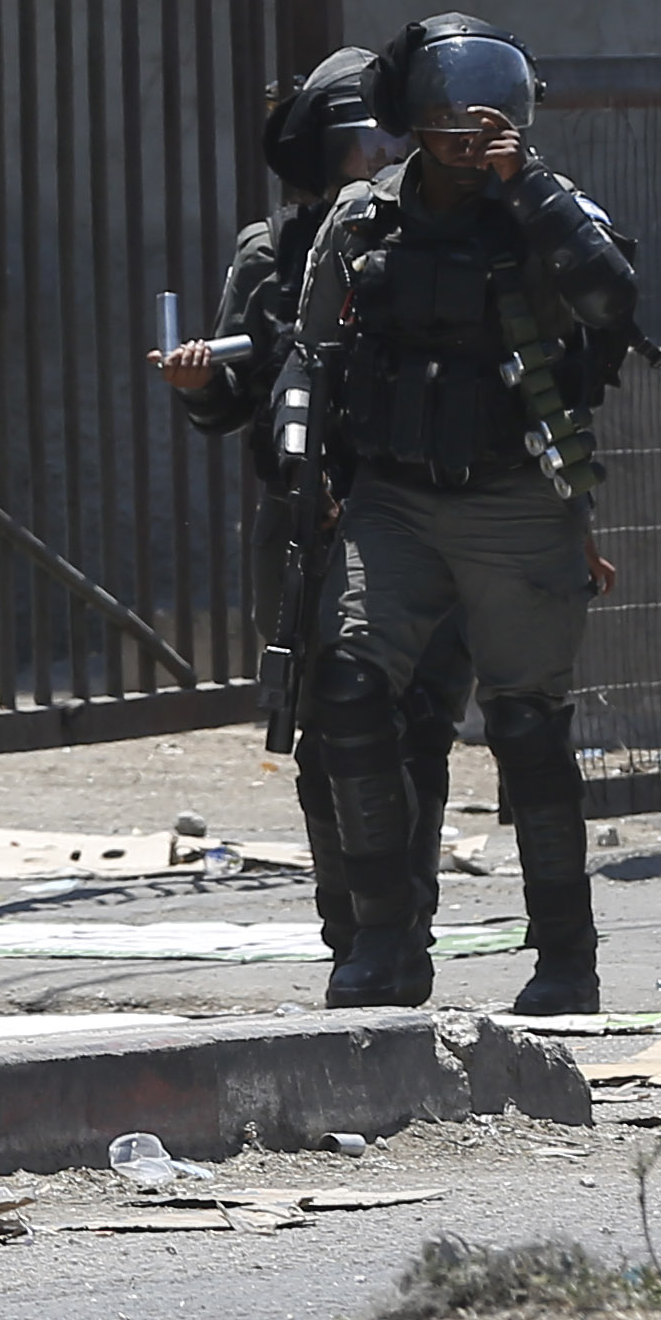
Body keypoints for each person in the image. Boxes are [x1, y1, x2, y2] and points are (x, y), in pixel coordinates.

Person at [281, 15, 640, 1013]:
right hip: (392, 499)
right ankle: (381, 945)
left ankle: (566, 959)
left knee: (526, 728)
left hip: (516, 499)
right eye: (445, 121)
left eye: (486, 121)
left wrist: (526, 188)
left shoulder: (548, 207)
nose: (465, 139)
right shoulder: (360, 221)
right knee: (348, 690)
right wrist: (301, 465)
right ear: (410, 124)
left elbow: (614, 301)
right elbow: (307, 356)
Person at [158, 49, 472, 995]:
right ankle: (355, 934)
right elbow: (230, 402)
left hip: (424, 517)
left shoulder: (453, 237)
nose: (377, 153)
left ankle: (398, 928)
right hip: (307, 521)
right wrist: (200, 379)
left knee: (414, 727)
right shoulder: (276, 252)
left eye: (391, 133)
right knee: (324, 730)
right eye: (358, 139)